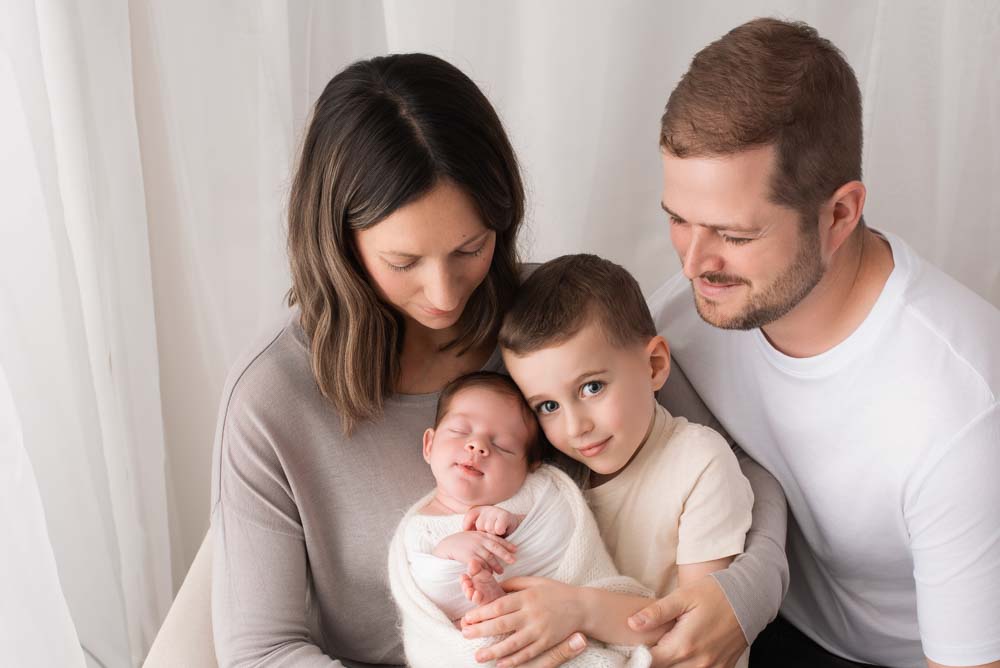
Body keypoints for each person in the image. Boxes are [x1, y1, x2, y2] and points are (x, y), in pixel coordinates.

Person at [210, 52, 788, 667]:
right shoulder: (272, 398)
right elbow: (260, 652)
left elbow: (737, 472)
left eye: (470, 248)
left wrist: (738, 601)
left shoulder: (548, 318)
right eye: (404, 263)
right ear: (338, 245)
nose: (444, 294)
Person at [644, 17, 1000, 668]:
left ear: (839, 214)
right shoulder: (683, 320)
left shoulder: (961, 411)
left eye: (734, 234)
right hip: (765, 618)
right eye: (678, 220)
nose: (694, 263)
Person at [498, 254, 754, 668]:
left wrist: (578, 610)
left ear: (654, 366)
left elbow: (698, 636)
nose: (575, 427)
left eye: (591, 387)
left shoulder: (698, 462)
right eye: (547, 405)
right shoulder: (556, 478)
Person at [388, 371, 654, 667]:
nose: (477, 446)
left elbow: (555, 533)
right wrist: (451, 553)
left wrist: (514, 522)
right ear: (429, 445)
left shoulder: (539, 492)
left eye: (502, 446)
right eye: (460, 431)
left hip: (568, 631)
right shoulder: (420, 528)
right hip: (480, 648)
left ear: (529, 467)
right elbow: (430, 596)